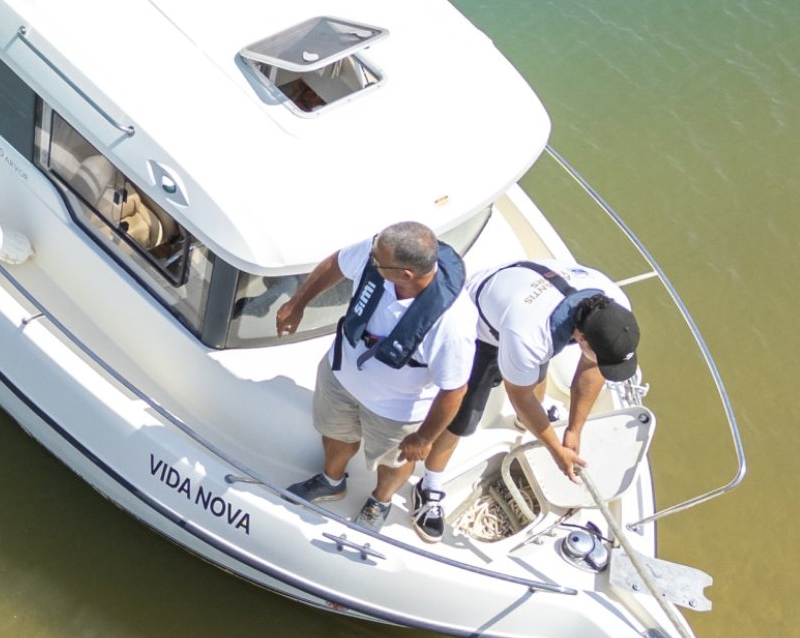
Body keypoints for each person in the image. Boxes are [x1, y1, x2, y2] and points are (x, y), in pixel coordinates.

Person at [272, 221, 475, 535]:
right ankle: (331, 481)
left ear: (406, 274)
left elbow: (454, 390)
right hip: (341, 377)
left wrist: (423, 439)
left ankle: (380, 500)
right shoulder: (378, 251)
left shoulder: (453, 325)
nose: (369, 258)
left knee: (394, 461)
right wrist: (297, 303)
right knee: (335, 433)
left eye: (377, 260)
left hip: (397, 409)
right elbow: (336, 263)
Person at [415, 258, 641, 537]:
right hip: (480, 325)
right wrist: (556, 450)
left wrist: (574, 429)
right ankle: (428, 486)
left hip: (527, 303)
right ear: (582, 338)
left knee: (534, 374)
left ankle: (529, 423)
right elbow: (520, 397)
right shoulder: (530, 336)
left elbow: (592, 366)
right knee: (463, 417)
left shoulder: (614, 306)